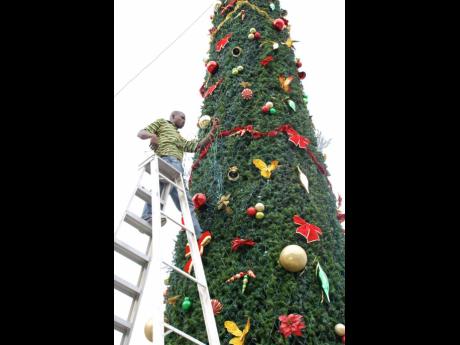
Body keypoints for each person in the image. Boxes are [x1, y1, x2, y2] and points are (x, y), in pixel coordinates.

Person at [137, 110, 219, 237]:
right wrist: (152, 136)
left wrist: (213, 131)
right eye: (182, 117)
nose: (184, 120)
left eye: (185, 119)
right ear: (172, 116)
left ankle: (198, 235)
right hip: (167, 160)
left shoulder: (179, 138)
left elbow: (197, 146)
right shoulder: (162, 123)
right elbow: (141, 133)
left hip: (175, 165)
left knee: (185, 203)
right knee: (166, 192)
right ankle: (147, 216)